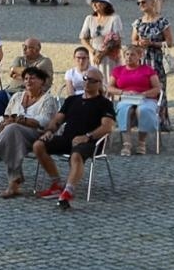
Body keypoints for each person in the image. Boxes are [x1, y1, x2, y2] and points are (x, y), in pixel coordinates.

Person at [0, 65, 59, 197]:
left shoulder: (48, 99)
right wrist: (5, 122)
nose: (28, 81)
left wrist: (19, 120)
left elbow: (43, 122)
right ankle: (13, 185)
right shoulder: (17, 96)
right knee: (12, 134)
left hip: (38, 136)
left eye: (32, 78)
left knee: (13, 129)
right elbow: (6, 115)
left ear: (42, 82)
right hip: (15, 135)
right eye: (26, 78)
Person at [33, 68, 116, 208]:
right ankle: (57, 183)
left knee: (76, 155)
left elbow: (107, 127)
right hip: (67, 138)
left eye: (92, 81)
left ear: (99, 84)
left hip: (91, 141)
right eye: (85, 79)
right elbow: (57, 119)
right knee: (38, 145)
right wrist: (50, 131)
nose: (87, 83)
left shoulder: (104, 103)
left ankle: (68, 191)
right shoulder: (72, 100)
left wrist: (87, 136)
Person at [107, 43, 163, 156]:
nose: (129, 57)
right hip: (126, 98)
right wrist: (122, 92)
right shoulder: (118, 70)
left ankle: (142, 143)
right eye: (127, 54)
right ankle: (126, 144)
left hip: (146, 98)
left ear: (139, 56)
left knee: (143, 110)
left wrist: (143, 94)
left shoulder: (148, 70)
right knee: (124, 110)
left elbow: (157, 88)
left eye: (132, 55)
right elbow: (109, 88)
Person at [131, 0, 174, 85]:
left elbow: (170, 43)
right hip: (141, 60)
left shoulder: (162, 22)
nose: (141, 5)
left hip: (157, 61)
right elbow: (133, 41)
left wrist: (152, 43)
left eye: (143, 2)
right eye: (138, 3)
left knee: (158, 86)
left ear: (152, 2)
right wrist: (139, 43)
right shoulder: (138, 22)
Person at [80, 0, 124, 70]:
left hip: (109, 56)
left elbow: (118, 40)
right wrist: (94, 52)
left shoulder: (114, 18)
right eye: (93, 2)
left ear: (105, 4)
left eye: (97, 2)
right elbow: (83, 38)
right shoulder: (89, 19)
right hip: (94, 55)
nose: (94, 5)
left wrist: (102, 53)